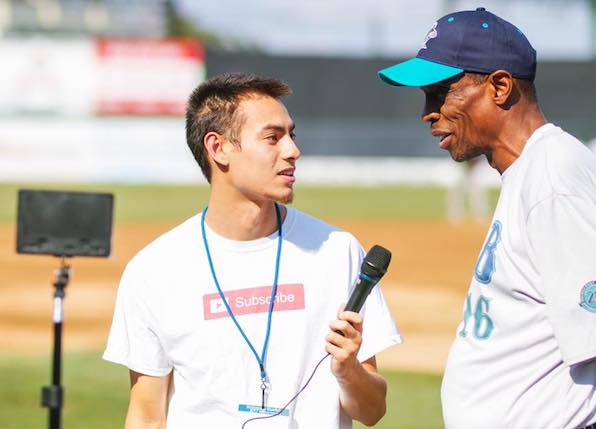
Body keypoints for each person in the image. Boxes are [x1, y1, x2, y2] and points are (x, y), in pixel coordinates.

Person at [378, 7, 596, 429]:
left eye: (440, 93)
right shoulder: (531, 173)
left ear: (500, 86)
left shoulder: (555, 181)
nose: (428, 113)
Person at [103, 73, 402, 428]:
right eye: (272, 138)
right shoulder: (153, 271)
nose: (293, 150)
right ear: (218, 148)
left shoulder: (339, 252)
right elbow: (146, 417)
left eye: (292, 135)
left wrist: (348, 370)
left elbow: (372, 412)